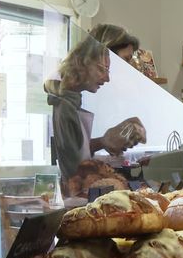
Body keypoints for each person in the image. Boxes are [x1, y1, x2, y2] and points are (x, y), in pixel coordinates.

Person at [44, 36, 146, 180]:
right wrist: (105, 141)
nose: (107, 78)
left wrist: (104, 141)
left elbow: (77, 150)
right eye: (102, 69)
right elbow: (76, 172)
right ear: (81, 63)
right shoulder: (64, 105)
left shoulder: (71, 100)